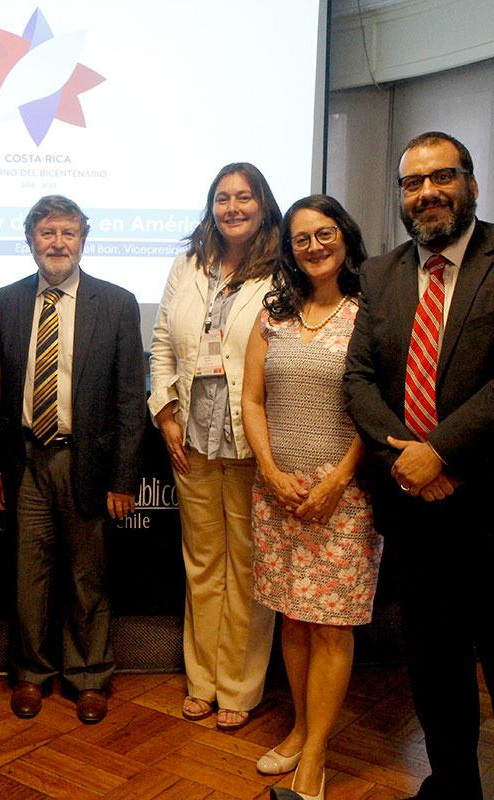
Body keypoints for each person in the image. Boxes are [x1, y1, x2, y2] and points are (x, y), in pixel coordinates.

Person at [344, 131, 494, 800]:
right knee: (434, 664)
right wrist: (410, 461)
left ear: (471, 184)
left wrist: (440, 451)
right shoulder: (381, 273)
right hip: (418, 510)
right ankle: (452, 785)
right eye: (413, 183)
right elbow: (360, 379)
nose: (427, 193)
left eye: (441, 177)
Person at [0, 195, 145, 724]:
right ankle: (31, 673)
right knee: (27, 576)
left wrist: (124, 479)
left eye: (68, 233)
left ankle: (89, 676)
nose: (58, 243)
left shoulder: (117, 303)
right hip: (26, 458)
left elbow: (129, 400)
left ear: (83, 239)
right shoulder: (5, 301)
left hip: (86, 461)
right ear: (30, 239)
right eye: (47, 232)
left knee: (87, 577)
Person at [243, 195, 380, 800]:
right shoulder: (274, 315)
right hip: (277, 495)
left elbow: (378, 412)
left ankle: (316, 756)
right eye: (302, 239)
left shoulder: (370, 314)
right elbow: (251, 400)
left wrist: (337, 481)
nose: (315, 246)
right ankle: (300, 729)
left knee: (331, 628)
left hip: (342, 498)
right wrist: (270, 471)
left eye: (325, 234)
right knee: (294, 620)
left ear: (344, 238)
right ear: (289, 249)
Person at [148, 162, 281, 731]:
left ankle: (239, 688)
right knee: (202, 563)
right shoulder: (188, 264)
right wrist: (164, 412)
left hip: (254, 438)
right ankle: (201, 680)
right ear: (211, 206)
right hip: (192, 438)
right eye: (222, 198)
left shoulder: (282, 271)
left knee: (248, 565)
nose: (232, 208)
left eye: (244, 197)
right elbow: (161, 342)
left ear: (262, 204)